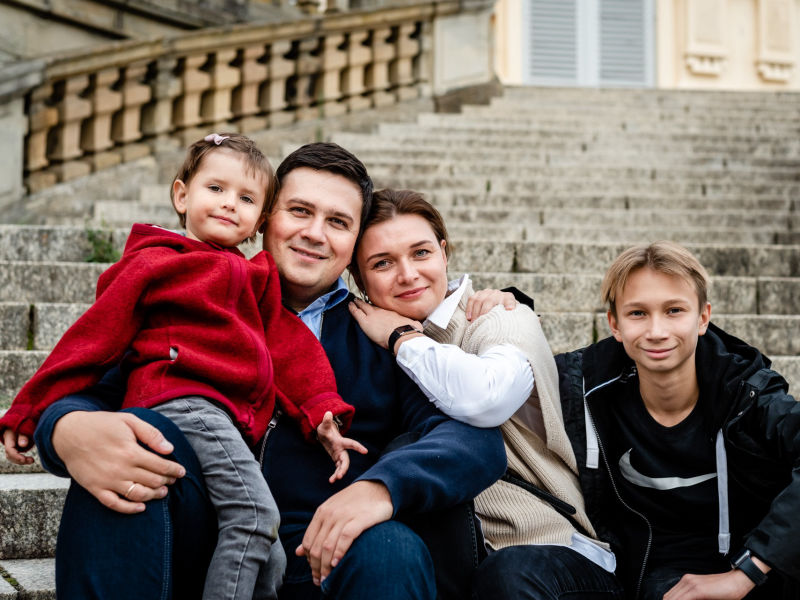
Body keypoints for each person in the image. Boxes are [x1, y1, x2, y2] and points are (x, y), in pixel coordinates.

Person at [30, 142, 507, 600]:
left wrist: (380, 489)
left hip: (319, 549)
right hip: (193, 541)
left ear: (354, 244)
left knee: (390, 548)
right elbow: (87, 384)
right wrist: (63, 429)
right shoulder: (194, 303)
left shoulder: (380, 337)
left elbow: (474, 441)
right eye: (299, 211)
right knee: (130, 454)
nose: (315, 233)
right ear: (264, 219)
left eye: (338, 222)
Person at [2, 133, 362, 600]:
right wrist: (34, 410)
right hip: (182, 401)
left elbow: (290, 346)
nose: (230, 204)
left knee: (268, 550)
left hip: (222, 418)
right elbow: (93, 339)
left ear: (258, 219)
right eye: (216, 189)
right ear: (181, 195)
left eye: (246, 198)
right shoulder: (155, 263)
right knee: (255, 518)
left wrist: (322, 412)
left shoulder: (255, 279)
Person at [347, 188, 624, 599]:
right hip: (451, 558)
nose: (407, 274)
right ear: (359, 279)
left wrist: (401, 337)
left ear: (444, 252)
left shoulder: (500, 317)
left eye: (420, 253)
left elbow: (484, 399)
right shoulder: (362, 340)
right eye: (382, 263)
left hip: (549, 556)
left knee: (508, 575)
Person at [555, 241, 800, 600]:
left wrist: (748, 570)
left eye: (673, 310)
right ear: (614, 324)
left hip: (755, 566)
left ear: (702, 318)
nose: (656, 331)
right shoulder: (585, 386)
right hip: (644, 573)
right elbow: (508, 374)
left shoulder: (746, 392)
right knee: (514, 571)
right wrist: (509, 305)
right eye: (638, 313)